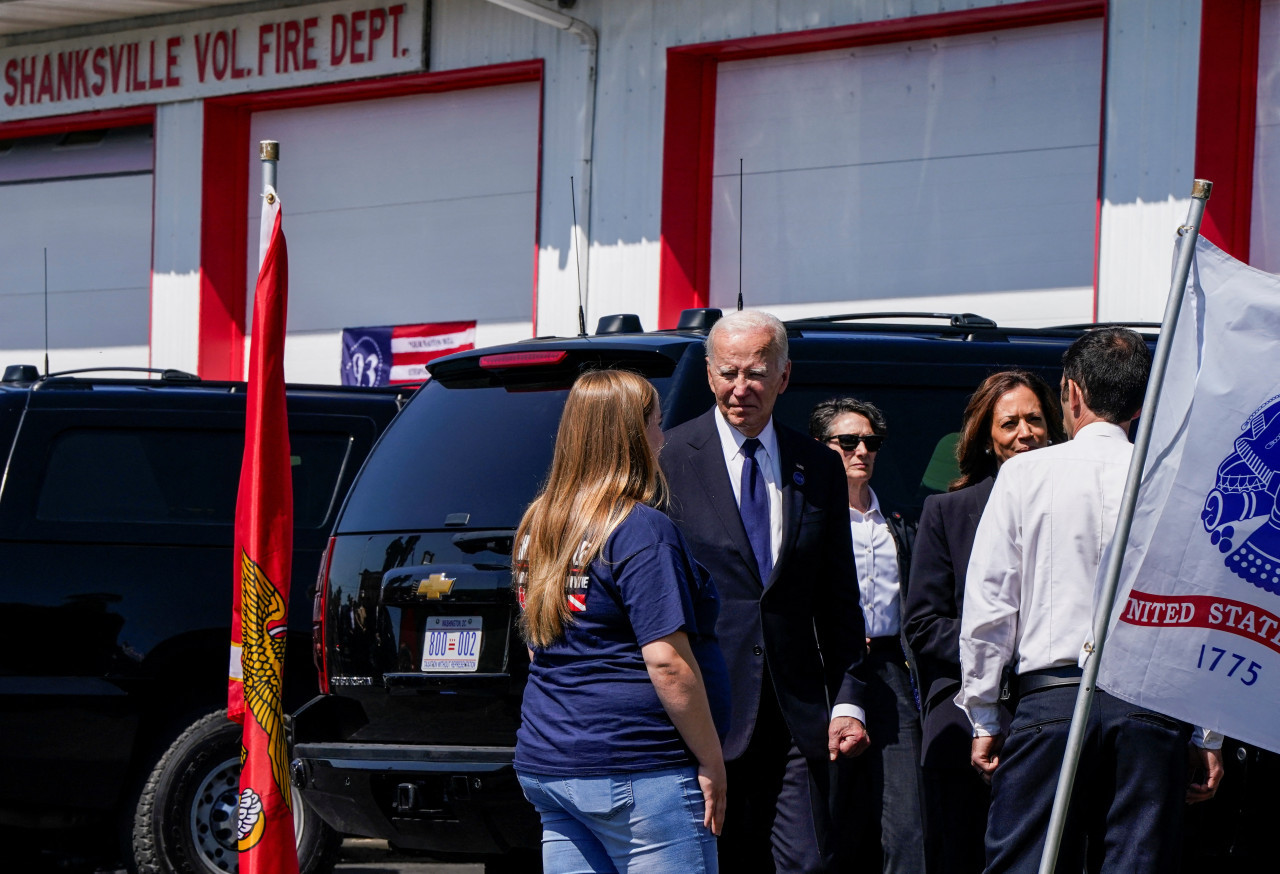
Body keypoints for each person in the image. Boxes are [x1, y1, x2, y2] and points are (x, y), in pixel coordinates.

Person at [956, 329, 1225, 874]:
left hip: (1050, 705)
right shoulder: (1177, 482)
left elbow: (990, 603)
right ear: (1141, 403)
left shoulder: (1024, 474)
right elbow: (1202, 609)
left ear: (1070, 394)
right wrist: (1205, 730)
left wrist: (984, 714)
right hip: (1150, 710)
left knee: (1024, 864)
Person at [660, 309, 869, 873]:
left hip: (798, 717)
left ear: (784, 376)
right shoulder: (668, 460)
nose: (740, 388)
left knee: (807, 863)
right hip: (706, 714)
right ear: (708, 375)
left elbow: (839, 597)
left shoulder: (818, 466)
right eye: (728, 373)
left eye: (755, 373)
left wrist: (848, 698)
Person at [513, 369, 731, 874]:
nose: (663, 436)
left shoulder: (536, 522)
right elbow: (667, 661)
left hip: (549, 762)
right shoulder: (639, 529)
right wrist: (712, 759)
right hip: (635, 768)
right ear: (633, 435)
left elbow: (538, 641)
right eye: (657, 422)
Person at [902, 370, 1064, 874]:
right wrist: (1003, 651)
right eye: (1009, 423)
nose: (1024, 433)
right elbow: (924, 625)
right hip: (966, 704)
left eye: (1034, 419)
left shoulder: (1076, 500)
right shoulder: (949, 512)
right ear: (987, 439)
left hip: (1057, 697)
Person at [809, 398, 925, 874]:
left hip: (890, 668)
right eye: (848, 442)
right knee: (831, 817)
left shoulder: (896, 523)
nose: (862, 451)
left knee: (906, 820)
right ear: (822, 448)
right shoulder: (806, 519)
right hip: (827, 671)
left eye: (871, 442)